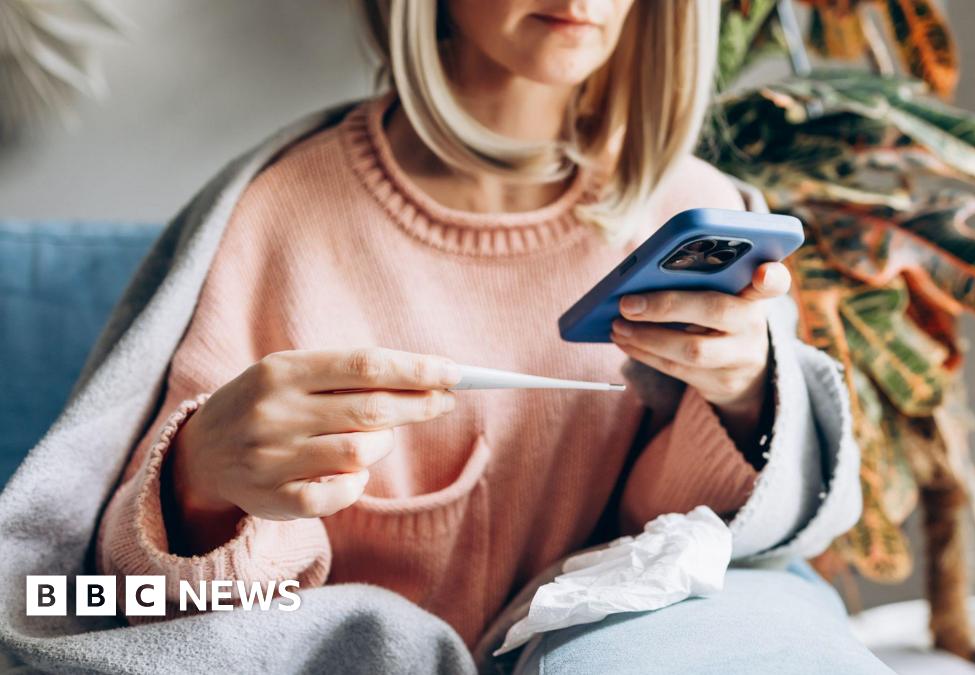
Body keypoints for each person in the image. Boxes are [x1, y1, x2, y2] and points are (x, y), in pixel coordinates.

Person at [96, 0, 886, 671]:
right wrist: (200, 490)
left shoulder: (697, 214)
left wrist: (744, 401)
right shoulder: (277, 220)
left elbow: (700, 546)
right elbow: (118, 591)